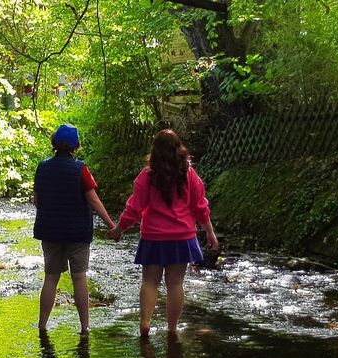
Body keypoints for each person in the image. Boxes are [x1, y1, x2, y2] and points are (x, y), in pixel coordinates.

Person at [109, 129, 219, 336]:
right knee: (175, 283)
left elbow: (134, 208)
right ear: (179, 149)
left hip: (153, 237)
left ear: (155, 151)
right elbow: (200, 207)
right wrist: (210, 233)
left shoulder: (147, 176)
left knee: (150, 282)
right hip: (182, 237)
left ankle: (145, 323)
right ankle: (172, 329)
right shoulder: (189, 174)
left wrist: (118, 229)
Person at [33, 123, 115, 334]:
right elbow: (94, 201)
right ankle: (85, 327)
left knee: (50, 277)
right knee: (79, 277)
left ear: (54, 143)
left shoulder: (42, 168)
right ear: (76, 146)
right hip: (77, 233)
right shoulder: (81, 169)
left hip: (50, 231)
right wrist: (112, 226)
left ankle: (42, 325)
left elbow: (37, 201)